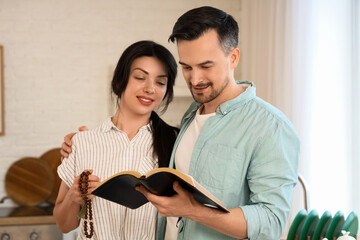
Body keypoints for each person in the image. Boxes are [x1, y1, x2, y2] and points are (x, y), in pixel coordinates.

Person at [61, 6, 300, 240]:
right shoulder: (189, 118)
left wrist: (193, 210)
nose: (195, 79)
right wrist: (81, 141)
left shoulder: (271, 126)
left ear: (233, 57)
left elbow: (271, 222)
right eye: (187, 67)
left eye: (206, 66)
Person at [54, 40, 178, 240]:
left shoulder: (175, 143)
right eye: (140, 77)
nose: (150, 89)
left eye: (160, 82)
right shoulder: (82, 143)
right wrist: (74, 196)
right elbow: (64, 224)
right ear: (119, 81)